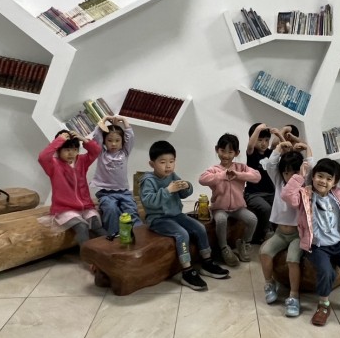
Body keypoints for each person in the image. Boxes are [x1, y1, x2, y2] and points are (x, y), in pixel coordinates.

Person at [281, 157, 340, 327]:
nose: (323, 181)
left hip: (338, 245)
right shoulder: (304, 195)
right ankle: (323, 305)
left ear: (335, 182)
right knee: (326, 271)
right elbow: (286, 195)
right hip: (316, 247)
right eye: (320, 176)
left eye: (329, 179)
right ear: (313, 176)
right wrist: (300, 176)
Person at [140, 140, 229, 291]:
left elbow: (183, 194)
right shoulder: (148, 180)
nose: (168, 166)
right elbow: (149, 202)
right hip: (158, 219)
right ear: (152, 164)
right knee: (182, 234)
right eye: (162, 162)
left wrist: (187, 186)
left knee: (200, 228)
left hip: (176, 215)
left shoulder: (172, 175)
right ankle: (187, 271)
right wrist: (168, 190)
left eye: (171, 161)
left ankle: (207, 262)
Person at [259, 139, 313, 317]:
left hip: (298, 234)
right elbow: (271, 166)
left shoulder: (304, 185)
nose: (289, 176)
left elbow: (311, 167)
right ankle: (269, 284)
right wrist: (277, 148)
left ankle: (294, 296)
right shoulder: (279, 183)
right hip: (280, 233)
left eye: (294, 172)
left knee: (292, 259)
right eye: (286, 172)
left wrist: (308, 149)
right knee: (264, 252)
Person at [199, 133, 261, 266]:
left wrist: (238, 175)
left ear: (237, 153)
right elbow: (202, 179)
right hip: (219, 208)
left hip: (238, 208)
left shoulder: (241, 168)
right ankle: (224, 248)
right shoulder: (214, 169)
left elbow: (257, 176)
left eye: (230, 152)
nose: (226, 155)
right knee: (221, 220)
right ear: (217, 149)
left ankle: (244, 243)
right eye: (222, 151)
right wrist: (222, 175)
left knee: (252, 219)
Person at [38, 129, 107, 246]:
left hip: (85, 206)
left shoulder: (82, 161)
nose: (71, 153)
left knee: (97, 225)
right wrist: (59, 140)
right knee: (82, 227)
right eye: (67, 150)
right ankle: (87, 255)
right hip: (65, 208)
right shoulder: (53, 165)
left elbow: (96, 150)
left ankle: (110, 249)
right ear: (58, 150)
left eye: (75, 149)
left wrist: (83, 139)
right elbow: (42, 157)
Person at [90, 116, 141, 236]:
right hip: (106, 193)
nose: (113, 144)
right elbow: (96, 137)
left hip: (124, 192)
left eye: (117, 140)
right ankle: (114, 234)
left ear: (122, 141)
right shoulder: (101, 153)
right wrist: (103, 120)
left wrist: (125, 122)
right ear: (104, 141)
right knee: (111, 209)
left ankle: (139, 233)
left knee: (131, 210)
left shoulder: (124, 152)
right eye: (109, 140)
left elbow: (130, 137)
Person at [244, 122, 277, 244]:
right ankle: (266, 232)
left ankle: (276, 232)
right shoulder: (252, 153)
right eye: (260, 140)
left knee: (279, 204)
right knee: (266, 208)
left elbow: (276, 144)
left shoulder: (269, 153)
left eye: (266, 140)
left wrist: (280, 132)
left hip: (270, 192)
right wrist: (258, 129)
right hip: (253, 194)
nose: (264, 143)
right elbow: (250, 145)